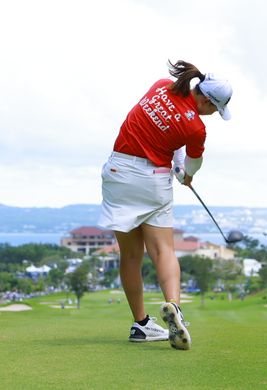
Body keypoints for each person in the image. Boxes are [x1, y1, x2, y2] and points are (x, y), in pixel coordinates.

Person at [98, 60, 232, 350]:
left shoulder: (161, 86)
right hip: (152, 182)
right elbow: (193, 161)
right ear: (208, 101)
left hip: (118, 172)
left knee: (131, 256)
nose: (211, 115)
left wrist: (178, 161)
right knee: (163, 249)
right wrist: (187, 174)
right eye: (214, 109)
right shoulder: (196, 128)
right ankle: (174, 306)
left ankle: (141, 325)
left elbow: (168, 127)